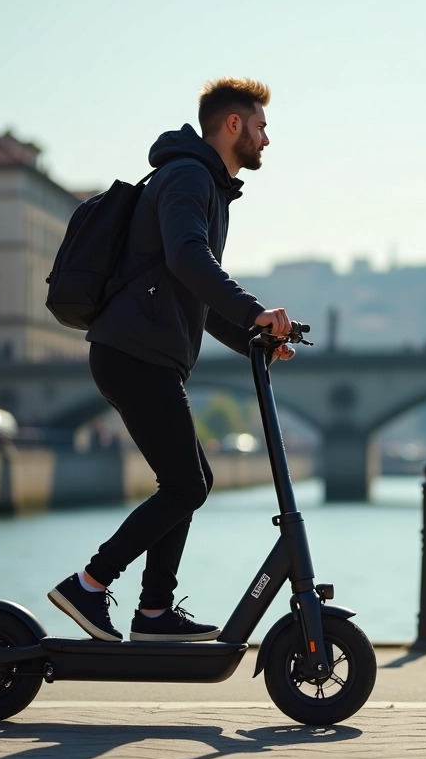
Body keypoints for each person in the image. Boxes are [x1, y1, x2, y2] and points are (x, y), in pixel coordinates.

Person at [48, 77, 294, 643]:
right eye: (260, 127)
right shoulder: (188, 176)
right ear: (232, 126)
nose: (266, 139)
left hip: (143, 351)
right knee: (186, 485)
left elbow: (191, 293)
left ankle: (154, 612)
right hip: (134, 352)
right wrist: (256, 310)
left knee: (191, 480)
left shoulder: (202, 181)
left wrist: (251, 338)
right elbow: (189, 260)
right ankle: (90, 582)